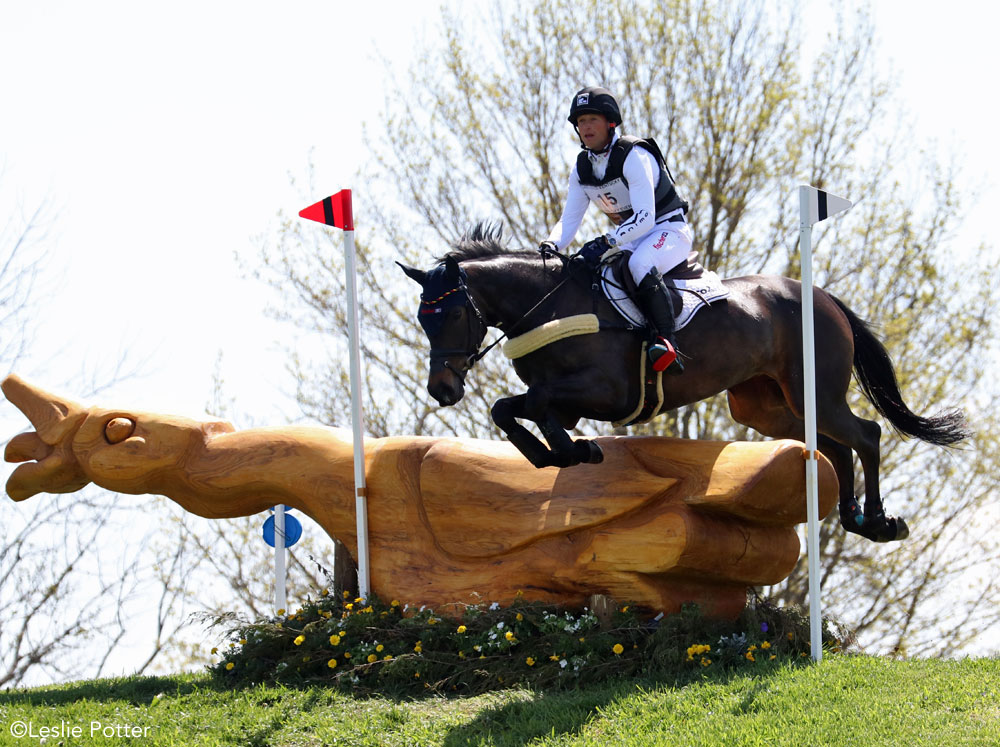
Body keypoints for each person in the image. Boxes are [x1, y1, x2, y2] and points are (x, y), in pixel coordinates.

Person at [540, 86, 691, 375]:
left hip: (668, 230)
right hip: (633, 238)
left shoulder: (634, 156)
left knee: (639, 263)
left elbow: (646, 218)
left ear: (610, 122)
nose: (585, 127)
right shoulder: (582, 168)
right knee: (597, 274)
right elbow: (569, 220)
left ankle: (668, 344)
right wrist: (551, 244)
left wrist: (608, 240)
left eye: (592, 120)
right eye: (581, 122)